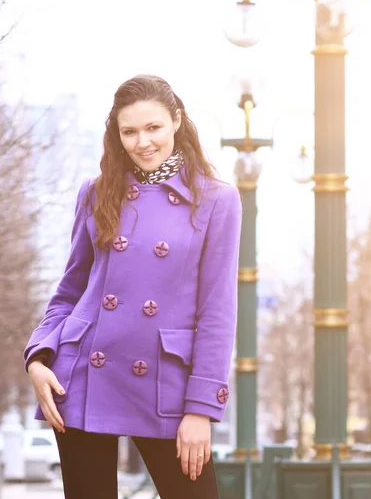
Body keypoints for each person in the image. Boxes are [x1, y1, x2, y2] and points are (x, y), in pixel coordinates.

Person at [23, 74, 242, 498]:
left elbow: (217, 312)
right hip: (83, 378)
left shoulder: (217, 199)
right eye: (130, 131)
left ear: (176, 121)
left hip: (166, 386)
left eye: (153, 127)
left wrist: (201, 410)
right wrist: (37, 357)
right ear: (117, 134)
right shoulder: (97, 192)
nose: (143, 142)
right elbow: (69, 292)